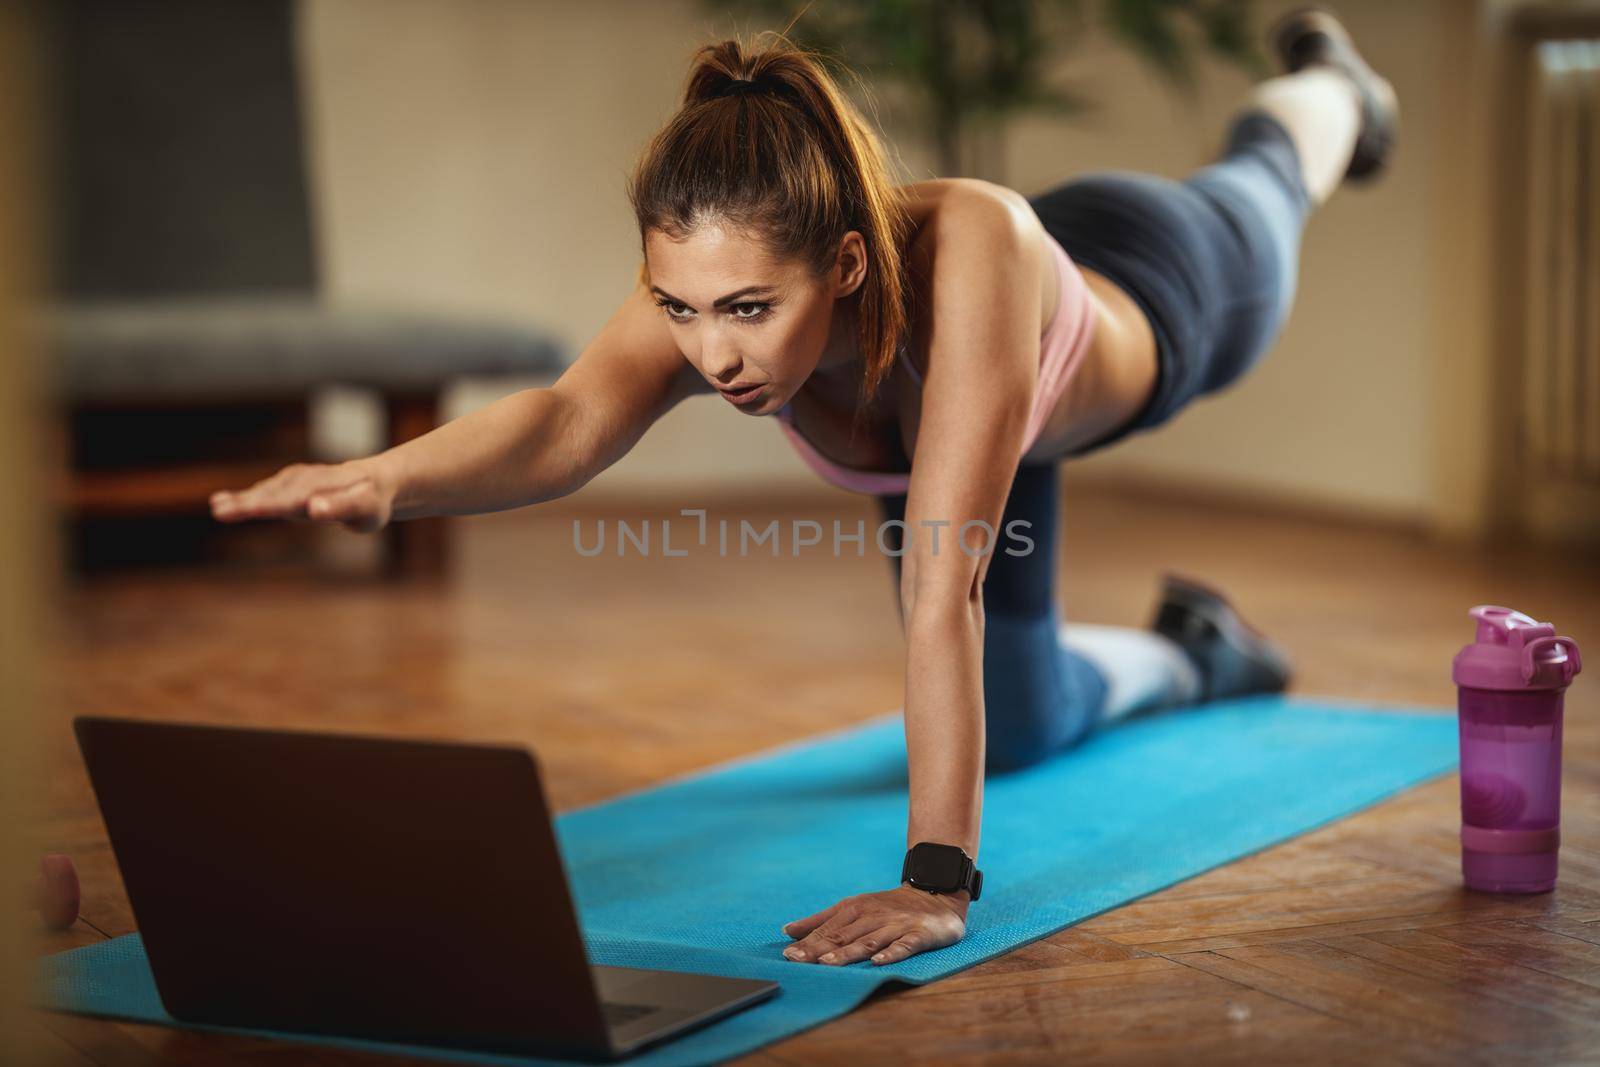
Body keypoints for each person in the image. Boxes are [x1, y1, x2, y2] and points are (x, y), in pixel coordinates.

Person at [210, 8, 1397, 970]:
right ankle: (1199, 651)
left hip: (1160, 285)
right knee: (1021, 726)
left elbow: (946, 594)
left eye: (745, 313)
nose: (710, 353)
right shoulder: (718, 266)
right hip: (965, 415)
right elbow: (568, 422)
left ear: (842, 264)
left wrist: (937, 881)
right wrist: (379, 479)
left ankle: (1334, 88)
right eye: (678, 308)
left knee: (1263, 187)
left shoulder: (968, 248)